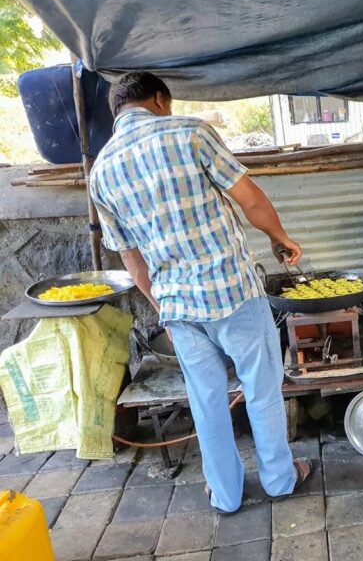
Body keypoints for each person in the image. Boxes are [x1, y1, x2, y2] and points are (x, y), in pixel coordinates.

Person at [90, 71, 310, 512]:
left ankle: (226, 496)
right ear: (158, 99)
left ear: (118, 110)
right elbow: (249, 200)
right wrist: (280, 237)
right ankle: (280, 480)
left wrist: (162, 306)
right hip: (233, 292)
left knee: (206, 403)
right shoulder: (190, 132)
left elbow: (132, 262)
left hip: (178, 307)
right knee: (263, 390)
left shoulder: (100, 173)